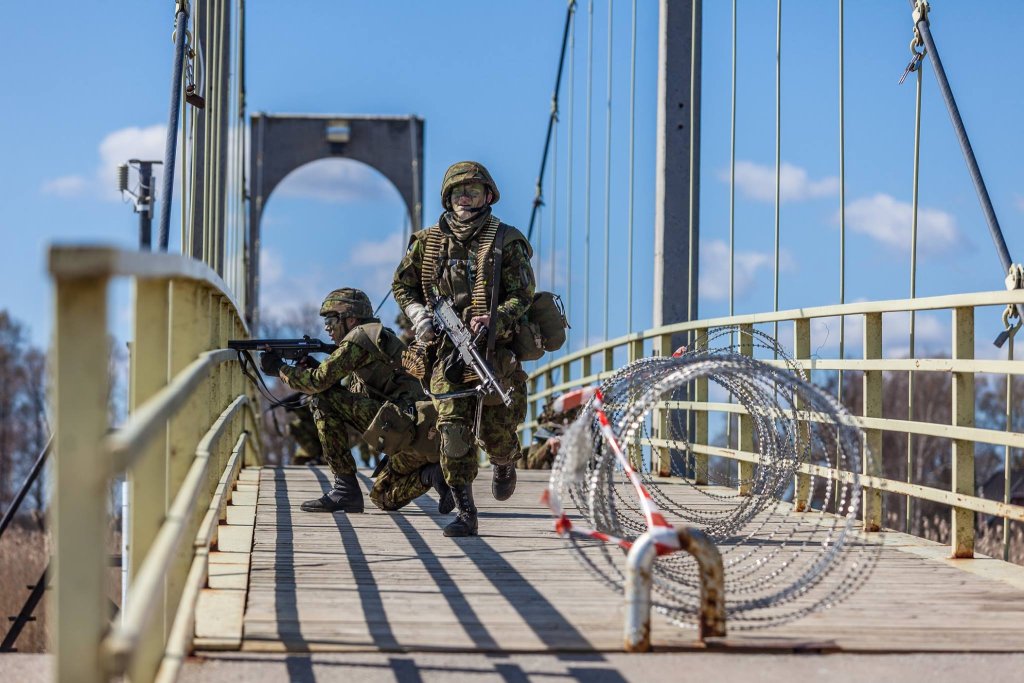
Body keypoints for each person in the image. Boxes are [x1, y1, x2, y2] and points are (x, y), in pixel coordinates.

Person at [392, 161, 535, 537]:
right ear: (447, 197)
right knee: (453, 429)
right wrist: (417, 313)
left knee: (496, 432)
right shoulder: (427, 241)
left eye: (472, 191)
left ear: (488, 196)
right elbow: (403, 286)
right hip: (444, 352)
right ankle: (466, 511)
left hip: (491, 351)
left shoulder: (506, 240)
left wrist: (495, 318)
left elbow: (522, 294)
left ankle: (505, 462)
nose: (464, 198)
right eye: (458, 192)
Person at [259, 287, 453, 514]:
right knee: (382, 497)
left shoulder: (359, 338)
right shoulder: (377, 335)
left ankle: (345, 488)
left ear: (350, 318)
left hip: (403, 429)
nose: (327, 328)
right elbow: (352, 396)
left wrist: (279, 369)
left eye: (331, 320)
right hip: (416, 436)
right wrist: (315, 368)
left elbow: (318, 384)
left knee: (321, 398)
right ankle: (433, 475)